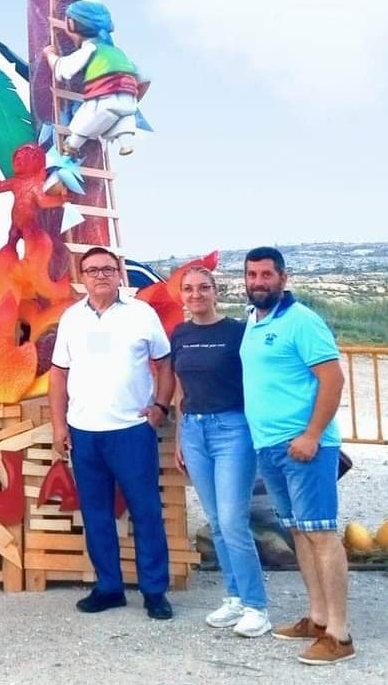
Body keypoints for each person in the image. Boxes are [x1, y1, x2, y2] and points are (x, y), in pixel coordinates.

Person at [239, 246, 355, 665]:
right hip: (270, 448)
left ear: (283, 278)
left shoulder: (302, 321)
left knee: (321, 533)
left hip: (306, 447)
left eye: (267, 275)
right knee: (300, 533)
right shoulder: (254, 322)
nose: (258, 282)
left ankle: (340, 636)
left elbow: (332, 379)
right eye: (252, 275)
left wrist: (312, 434)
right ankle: (318, 618)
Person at [49, 246, 175, 619]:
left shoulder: (141, 314)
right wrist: (59, 424)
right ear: (82, 276)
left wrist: (161, 407)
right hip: (85, 432)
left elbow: (165, 363)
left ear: (119, 273)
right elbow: (59, 373)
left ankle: (154, 592)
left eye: (107, 269)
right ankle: (109, 587)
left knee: (146, 511)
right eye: (92, 270)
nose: (100, 275)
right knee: (97, 513)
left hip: (132, 431)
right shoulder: (72, 318)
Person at [171, 266, 269, 637]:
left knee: (232, 521)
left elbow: (258, 381)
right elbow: (181, 391)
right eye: (188, 289)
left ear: (216, 291)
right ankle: (235, 597)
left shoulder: (237, 333)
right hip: (195, 430)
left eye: (203, 288)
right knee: (215, 521)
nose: (195, 295)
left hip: (233, 430)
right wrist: (181, 436)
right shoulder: (180, 334)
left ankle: (257, 606)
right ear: (181, 295)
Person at [42, 0, 149, 157]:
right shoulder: (118, 52)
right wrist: (132, 97)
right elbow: (145, 79)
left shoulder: (91, 48)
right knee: (121, 121)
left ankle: (71, 146)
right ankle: (126, 143)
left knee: (84, 122)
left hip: (102, 99)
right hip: (128, 101)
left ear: (71, 25)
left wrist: (51, 55)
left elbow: (63, 70)